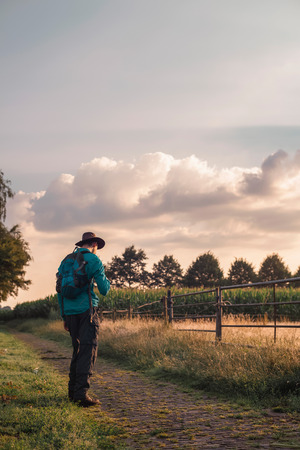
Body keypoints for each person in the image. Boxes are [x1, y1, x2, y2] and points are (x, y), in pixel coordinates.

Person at [57, 232, 110, 407]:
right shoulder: (94, 260)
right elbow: (104, 289)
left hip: (70, 313)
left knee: (77, 350)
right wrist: (105, 277)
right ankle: (81, 395)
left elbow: (60, 291)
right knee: (88, 351)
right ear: (94, 244)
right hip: (87, 311)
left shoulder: (66, 261)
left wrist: (64, 316)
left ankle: (72, 392)